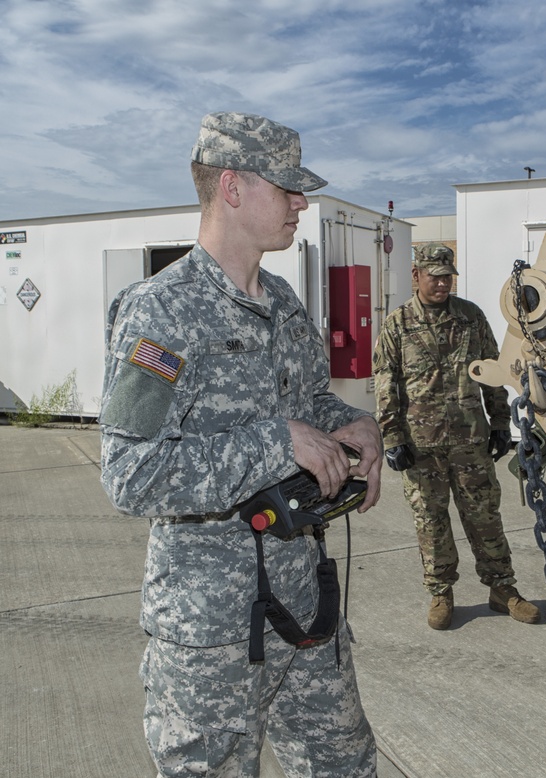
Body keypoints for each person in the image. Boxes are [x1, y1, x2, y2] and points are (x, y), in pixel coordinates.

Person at [100, 112, 381, 777]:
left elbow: (311, 405)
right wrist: (274, 443)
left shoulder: (282, 301)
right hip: (210, 634)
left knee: (345, 765)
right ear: (231, 187)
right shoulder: (159, 313)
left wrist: (358, 425)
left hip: (305, 607)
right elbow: (131, 473)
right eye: (286, 187)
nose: (301, 203)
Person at [372, 243, 541, 630]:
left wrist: (501, 423)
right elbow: (385, 381)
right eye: (434, 276)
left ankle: (503, 589)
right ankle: (441, 593)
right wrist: (392, 436)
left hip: (469, 440)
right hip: (420, 445)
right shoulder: (398, 324)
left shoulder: (470, 317)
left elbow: (492, 371)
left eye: (447, 276)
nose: (442, 283)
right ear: (416, 276)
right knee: (431, 522)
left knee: (484, 517)